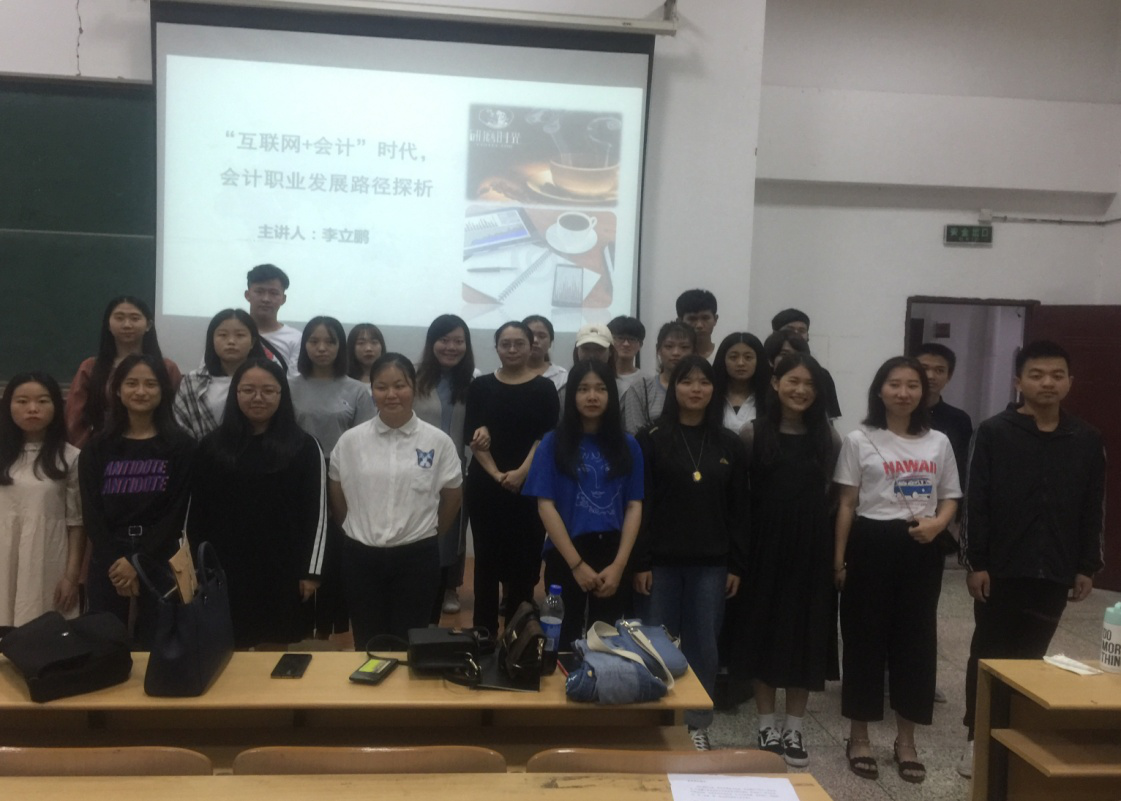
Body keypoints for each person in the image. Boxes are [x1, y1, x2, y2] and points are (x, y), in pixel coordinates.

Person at [956, 340, 1105, 778]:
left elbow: (1093, 506)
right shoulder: (994, 432)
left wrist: (1087, 565)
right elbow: (976, 501)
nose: (1047, 383)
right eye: (1037, 375)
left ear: (1070, 382)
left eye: (1057, 375)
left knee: (1031, 656)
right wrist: (976, 562)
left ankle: (1014, 733)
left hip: (1054, 568)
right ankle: (976, 737)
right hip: (1000, 568)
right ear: (1018, 381)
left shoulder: (1086, 439)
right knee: (988, 653)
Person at [832, 356, 961, 784]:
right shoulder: (859, 439)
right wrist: (839, 560)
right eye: (894, 384)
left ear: (923, 392)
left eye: (912, 385)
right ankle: (859, 737)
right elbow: (847, 503)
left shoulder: (938, 441)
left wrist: (939, 525)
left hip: (921, 546)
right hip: (870, 542)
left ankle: (906, 742)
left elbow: (951, 496)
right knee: (864, 640)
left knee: (916, 643)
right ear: (880, 390)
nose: (903, 393)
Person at [633, 355, 750, 751]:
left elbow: (739, 510)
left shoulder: (729, 443)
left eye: (704, 382)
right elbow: (641, 504)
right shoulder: (650, 439)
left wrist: (736, 564)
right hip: (659, 564)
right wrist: (641, 561)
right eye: (687, 381)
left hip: (711, 565)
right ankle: (655, 720)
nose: (696, 389)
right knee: (654, 644)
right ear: (674, 388)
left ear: (714, 389)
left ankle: (696, 724)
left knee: (703, 646)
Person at [740, 354, 840, 767]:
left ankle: (794, 726)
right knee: (762, 630)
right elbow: (743, 493)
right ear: (775, 383)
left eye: (810, 384)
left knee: (805, 633)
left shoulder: (828, 437)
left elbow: (834, 495)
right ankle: (766, 723)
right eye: (793, 381)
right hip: (764, 547)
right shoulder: (753, 432)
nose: (801, 390)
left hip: (811, 547)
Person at [189, 359, 327, 648]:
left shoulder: (304, 446)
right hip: (225, 567)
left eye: (268, 390)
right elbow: (196, 515)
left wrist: (311, 572)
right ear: (235, 393)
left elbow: (317, 516)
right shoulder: (211, 447)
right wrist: (196, 568)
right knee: (228, 647)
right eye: (248, 390)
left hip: (283, 568)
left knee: (275, 647)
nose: (258, 398)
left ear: (281, 394)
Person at [329, 354, 463, 648]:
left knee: (410, 641)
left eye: (399, 385)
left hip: (417, 558)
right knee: (367, 640)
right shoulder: (351, 441)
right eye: (381, 387)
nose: (391, 394)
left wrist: (431, 533)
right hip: (361, 558)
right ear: (372, 391)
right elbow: (337, 495)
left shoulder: (437, 441)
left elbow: (453, 496)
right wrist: (355, 527)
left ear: (413, 388)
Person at [523, 359, 643, 650]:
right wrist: (576, 565)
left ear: (611, 395)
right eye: (583, 389)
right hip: (566, 551)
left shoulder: (628, 445)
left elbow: (633, 506)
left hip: (613, 553)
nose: (592, 396)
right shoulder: (552, 443)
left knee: (607, 642)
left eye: (601, 389)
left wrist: (619, 566)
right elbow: (545, 506)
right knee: (561, 640)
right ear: (572, 395)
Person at [79, 354, 194, 647]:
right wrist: (119, 561)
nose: (141, 391)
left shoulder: (181, 446)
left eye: (150, 384)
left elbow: (176, 512)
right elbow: (91, 513)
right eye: (132, 383)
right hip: (109, 555)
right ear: (117, 390)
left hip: (160, 554)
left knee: (157, 643)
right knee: (104, 644)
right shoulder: (97, 447)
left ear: (163, 390)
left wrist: (137, 561)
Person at [464, 321, 559, 635]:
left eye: (519, 343)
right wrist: (495, 474)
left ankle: (519, 640)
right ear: (496, 347)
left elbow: (545, 438)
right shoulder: (481, 386)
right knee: (485, 564)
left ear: (531, 346)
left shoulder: (544, 388)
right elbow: (473, 436)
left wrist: (520, 474)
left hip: (528, 487)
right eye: (505, 344)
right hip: (485, 487)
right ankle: (483, 637)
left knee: (524, 565)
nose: (512, 349)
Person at [290, 316, 376, 639]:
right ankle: (299, 621)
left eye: (330, 341)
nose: (322, 348)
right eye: (314, 341)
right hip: (298, 473)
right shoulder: (290, 385)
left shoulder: (357, 390)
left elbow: (365, 440)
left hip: (341, 474)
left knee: (337, 546)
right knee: (303, 543)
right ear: (304, 345)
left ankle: (333, 622)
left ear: (341, 347)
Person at [0, 373, 83, 627]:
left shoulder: (71, 457)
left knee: (40, 635)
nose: (32, 408)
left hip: (45, 559)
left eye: (42, 401)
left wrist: (71, 577)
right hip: (3, 557)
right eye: (22, 401)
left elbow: (76, 523)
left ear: (56, 406)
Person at [412, 314, 476, 618]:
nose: (451, 347)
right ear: (431, 342)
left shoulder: (472, 383)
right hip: (415, 468)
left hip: (455, 469)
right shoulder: (413, 377)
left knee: (451, 530)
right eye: (444, 340)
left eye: (458, 341)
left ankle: (447, 586)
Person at [66, 296, 183, 447]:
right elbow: (74, 419)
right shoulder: (90, 368)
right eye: (119, 318)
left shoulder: (167, 368)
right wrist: (89, 451)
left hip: (158, 449)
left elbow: (178, 414)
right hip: (102, 449)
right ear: (108, 324)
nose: (127, 325)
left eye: (135, 318)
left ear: (148, 325)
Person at [174, 309, 268, 440]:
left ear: (252, 342)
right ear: (212, 340)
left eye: (240, 335)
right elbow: (180, 424)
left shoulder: (268, 379)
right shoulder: (192, 381)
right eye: (223, 335)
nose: (231, 341)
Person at [621, 322, 696, 434]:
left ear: (694, 351)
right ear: (658, 350)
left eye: (684, 347)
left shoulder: (701, 389)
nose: (676, 352)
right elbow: (635, 435)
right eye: (669, 346)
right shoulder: (641, 389)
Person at [770, 309, 842, 419]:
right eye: (789, 330)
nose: (796, 334)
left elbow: (829, 419)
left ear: (808, 336)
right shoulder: (761, 371)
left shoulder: (821, 375)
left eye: (802, 330)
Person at [244, 264, 301, 376]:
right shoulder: (231, 334)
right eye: (259, 291)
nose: (266, 299)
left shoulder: (296, 339)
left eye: (274, 293)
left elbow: (294, 382)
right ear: (247, 295)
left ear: (283, 299)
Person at [713, 332, 769, 434]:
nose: (740, 363)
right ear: (723, 360)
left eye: (748, 357)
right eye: (733, 357)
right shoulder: (711, 395)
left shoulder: (769, 396)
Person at [524, 315, 568, 390]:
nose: (535, 340)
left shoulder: (562, 376)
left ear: (550, 342)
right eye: (530, 335)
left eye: (541, 336)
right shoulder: (507, 373)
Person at [675, 289, 719, 362]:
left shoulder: (724, 357)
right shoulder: (674, 358)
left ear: (715, 319)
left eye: (705, 318)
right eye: (692, 319)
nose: (699, 325)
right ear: (679, 322)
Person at [608, 315, 646, 395]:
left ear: (640, 345)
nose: (626, 344)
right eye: (620, 338)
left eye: (632, 339)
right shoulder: (600, 376)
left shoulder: (646, 381)